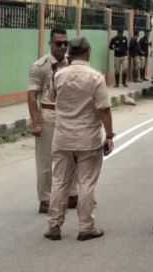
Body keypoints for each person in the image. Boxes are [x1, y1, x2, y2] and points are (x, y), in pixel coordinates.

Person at [44, 37, 114, 242]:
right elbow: (104, 109)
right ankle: (86, 227)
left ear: (69, 53)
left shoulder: (59, 75)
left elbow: (52, 99)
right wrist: (109, 135)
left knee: (59, 182)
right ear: (88, 52)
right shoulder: (95, 77)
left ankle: (54, 226)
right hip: (88, 138)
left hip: (62, 136)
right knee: (86, 183)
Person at [28, 28, 77, 214]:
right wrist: (36, 122)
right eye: (59, 43)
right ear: (51, 44)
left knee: (72, 156)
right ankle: (45, 198)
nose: (63, 47)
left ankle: (72, 193)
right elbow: (32, 96)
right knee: (45, 160)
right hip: (48, 114)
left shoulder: (72, 64)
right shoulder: (40, 66)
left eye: (66, 43)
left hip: (69, 115)